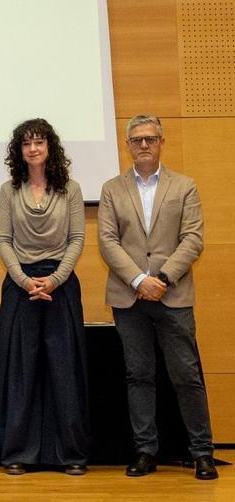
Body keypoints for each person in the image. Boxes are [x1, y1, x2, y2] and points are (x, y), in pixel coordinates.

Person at [98, 114, 216, 480]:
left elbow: (193, 239)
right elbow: (107, 241)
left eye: (150, 138)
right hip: (129, 298)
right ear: (128, 145)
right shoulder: (112, 188)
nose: (144, 144)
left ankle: (202, 453)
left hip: (173, 294)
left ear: (161, 142)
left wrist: (161, 278)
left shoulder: (184, 186)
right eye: (136, 139)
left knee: (186, 376)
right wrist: (138, 280)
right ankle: (145, 451)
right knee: (139, 376)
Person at [0, 119, 89, 475]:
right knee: (21, 369)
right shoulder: (9, 190)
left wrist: (54, 280)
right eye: (26, 144)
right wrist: (25, 281)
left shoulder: (72, 189)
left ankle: (71, 454)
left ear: (51, 147)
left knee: (64, 369)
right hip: (20, 287)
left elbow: (77, 238)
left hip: (60, 287)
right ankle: (17, 452)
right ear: (19, 151)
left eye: (39, 142)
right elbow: (3, 240)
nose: (33, 149)